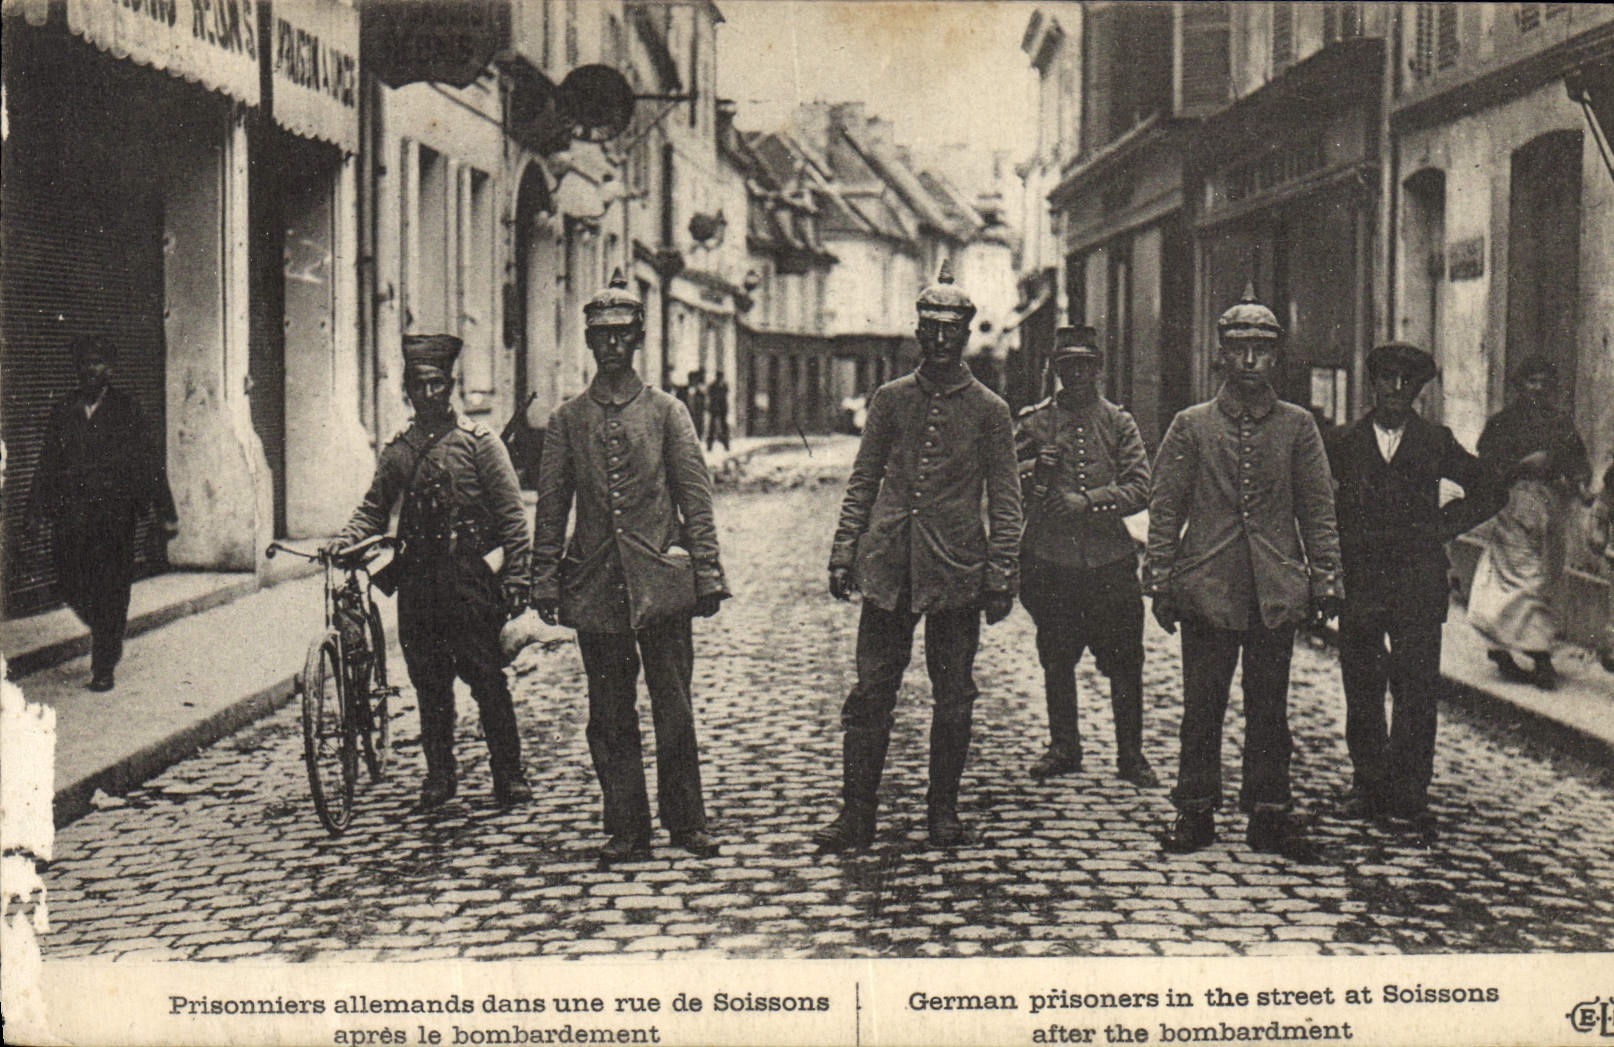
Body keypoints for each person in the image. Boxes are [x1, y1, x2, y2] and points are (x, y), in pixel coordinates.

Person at [814, 262, 1023, 853]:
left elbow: (1005, 500)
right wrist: (844, 551)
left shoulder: (990, 410)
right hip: (887, 567)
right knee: (872, 690)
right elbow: (863, 480)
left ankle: (943, 811)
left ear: (965, 336)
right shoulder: (889, 400)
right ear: (915, 333)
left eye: (949, 330)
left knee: (953, 691)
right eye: (927, 329)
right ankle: (856, 814)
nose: (937, 341)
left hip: (956, 569)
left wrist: (1001, 572)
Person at [531, 271, 729, 865]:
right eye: (602, 335)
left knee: (675, 706)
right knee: (608, 713)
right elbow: (552, 505)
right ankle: (625, 826)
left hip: (661, 583)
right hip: (597, 585)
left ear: (639, 338)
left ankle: (686, 820)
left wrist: (708, 572)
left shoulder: (668, 413)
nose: (613, 345)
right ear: (589, 343)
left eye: (622, 334)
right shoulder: (568, 421)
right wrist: (544, 576)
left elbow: (695, 497)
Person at [1145, 287, 1343, 860]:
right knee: (1202, 704)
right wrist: (1161, 578)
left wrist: (1325, 577)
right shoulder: (1191, 426)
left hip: (1275, 590)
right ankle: (1195, 809)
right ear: (1222, 356)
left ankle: (1269, 811)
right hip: (1208, 587)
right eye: (1239, 349)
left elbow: (1317, 507)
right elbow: (1166, 507)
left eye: (1262, 350)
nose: (1251, 361)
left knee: (1270, 705)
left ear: (1277, 358)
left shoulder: (1299, 427)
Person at [335, 334, 533, 810]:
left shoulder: (479, 444)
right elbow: (373, 508)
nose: (430, 394)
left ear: (452, 386)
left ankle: (509, 774)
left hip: (469, 583)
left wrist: (517, 581)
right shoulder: (399, 450)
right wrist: (347, 540)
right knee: (430, 683)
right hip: (419, 586)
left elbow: (512, 519)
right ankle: (440, 777)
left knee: (487, 679)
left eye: (438, 384)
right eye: (420, 385)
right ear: (407, 389)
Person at [1327, 343, 1500, 822]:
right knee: (1362, 685)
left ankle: (1409, 790)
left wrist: (1445, 527)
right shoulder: (1343, 443)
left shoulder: (1435, 442)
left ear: (1420, 389)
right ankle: (1368, 783)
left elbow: (1490, 488)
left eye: (1408, 381)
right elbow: (1316, 500)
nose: (1397, 389)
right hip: (1360, 581)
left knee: (1416, 690)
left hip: (1417, 581)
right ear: (1374, 383)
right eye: (1388, 378)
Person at [1013, 325, 1156, 787]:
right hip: (1050, 559)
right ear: (1055, 370)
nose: (1076, 376)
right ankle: (1064, 746)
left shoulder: (1118, 423)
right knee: (1056, 653)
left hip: (1109, 561)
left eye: (1085, 366)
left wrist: (1091, 500)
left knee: (1125, 659)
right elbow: (1005, 484)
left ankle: (1131, 754)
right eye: (1067, 366)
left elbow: (1141, 486)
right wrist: (1037, 469)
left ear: (1098, 369)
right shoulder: (1034, 422)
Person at [27, 334, 178, 691]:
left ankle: (104, 664)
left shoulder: (126, 410)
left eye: (97, 362)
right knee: (69, 582)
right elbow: (47, 463)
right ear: (76, 368)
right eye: (83, 362)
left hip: (114, 516)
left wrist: (165, 513)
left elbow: (150, 463)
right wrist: (34, 512)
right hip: (72, 516)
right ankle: (105, 627)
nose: (89, 369)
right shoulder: (64, 409)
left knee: (111, 587)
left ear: (109, 368)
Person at [1472, 356, 1593, 687]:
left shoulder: (1559, 423)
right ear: (1519, 385)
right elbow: (1487, 466)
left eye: (1544, 382)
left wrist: (1582, 486)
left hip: (1553, 507)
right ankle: (1541, 658)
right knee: (1526, 578)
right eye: (1531, 381)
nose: (1538, 388)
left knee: (1548, 575)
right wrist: (1522, 465)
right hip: (1515, 506)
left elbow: (1576, 459)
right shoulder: (1503, 423)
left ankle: (1503, 644)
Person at [706, 371, 731, 452]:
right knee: (712, 427)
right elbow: (710, 396)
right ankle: (709, 446)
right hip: (714, 409)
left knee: (724, 427)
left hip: (722, 409)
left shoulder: (724, 386)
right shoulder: (712, 386)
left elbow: (725, 395)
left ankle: (726, 445)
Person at [687, 370, 708, 442]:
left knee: (699, 425)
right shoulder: (689, 389)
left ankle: (698, 439)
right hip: (691, 411)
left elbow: (704, 398)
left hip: (698, 411)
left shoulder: (699, 389)